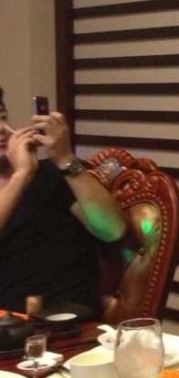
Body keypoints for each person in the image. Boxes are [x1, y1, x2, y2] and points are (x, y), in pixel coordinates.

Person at [0, 88, 126, 314]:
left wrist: (66, 159)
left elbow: (112, 230)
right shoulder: (24, 175)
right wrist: (21, 176)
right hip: (8, 323)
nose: (1, 128)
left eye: (2, 117)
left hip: (66, 319)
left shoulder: (49, 175)